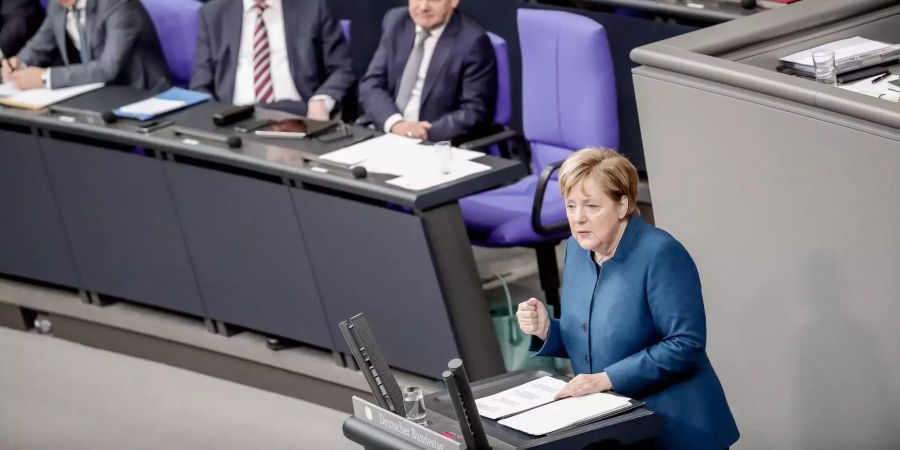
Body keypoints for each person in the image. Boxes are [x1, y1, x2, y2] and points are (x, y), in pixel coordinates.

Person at [517, 148, 739, 450]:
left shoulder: (660, 254)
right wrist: (547, 330)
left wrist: (607, 379)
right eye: (571, 206)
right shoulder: (576, 250)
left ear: (622, 205)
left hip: (675, 426)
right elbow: (589, 336)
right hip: (616, 423)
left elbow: (685, 345)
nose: (578, 218)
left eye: (591, 206)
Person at [190, 0, 354, 120]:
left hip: (296, 115)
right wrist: (214, 121)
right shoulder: (213, 14)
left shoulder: (313, 7)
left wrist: (321, 100)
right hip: (235, 116)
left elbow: (342, 68)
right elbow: (200, 85)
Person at [359, 0, 496, 143]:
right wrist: (396, 124)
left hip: (431, 140)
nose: (423, 7)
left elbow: (473, 112)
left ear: (454, 2)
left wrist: (422, 132)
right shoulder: (396, 21)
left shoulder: (472, 42)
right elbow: (371, 83)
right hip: (385, 128)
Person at [1, 0, 170, 91]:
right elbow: (39, 45)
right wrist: (19, 62)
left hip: (139, 91)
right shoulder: (58, 4)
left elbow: (108, 68)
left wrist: (45, 78)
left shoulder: (118, 4)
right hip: (97, 89)